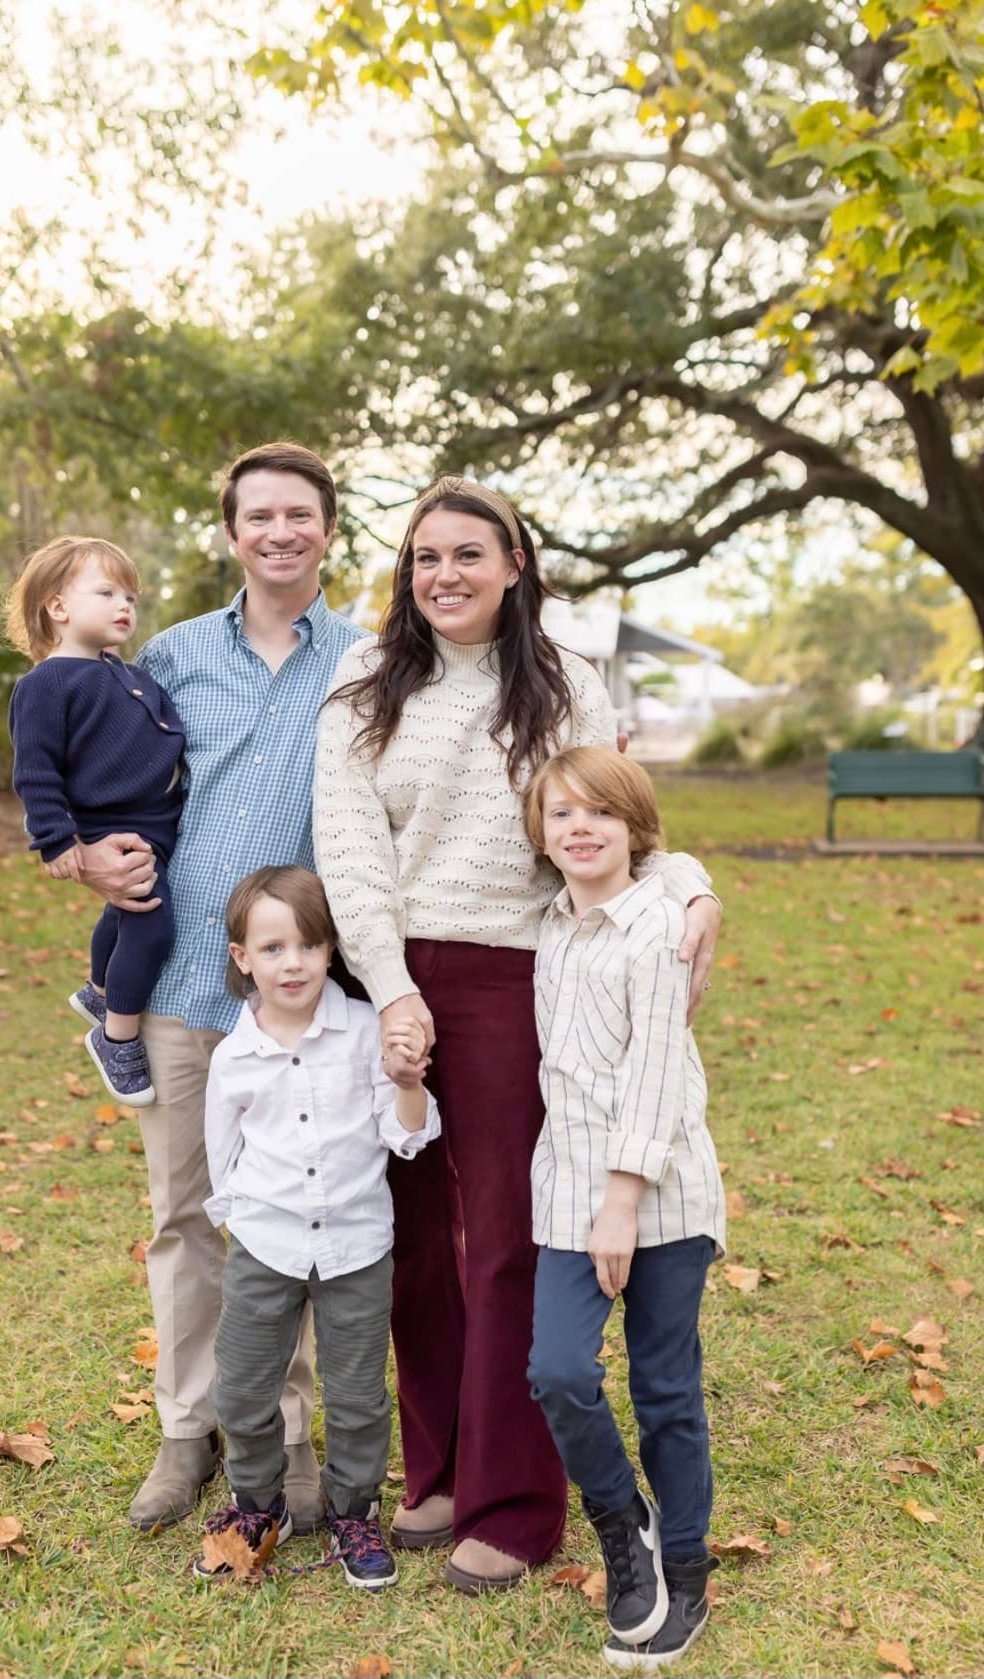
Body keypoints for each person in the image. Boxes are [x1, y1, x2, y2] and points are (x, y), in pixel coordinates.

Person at [313, 476, 721, 1593]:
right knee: (401, 1241)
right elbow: (347, 847)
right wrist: (391, 988)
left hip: (519, 973)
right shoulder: (363, 680)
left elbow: (619, 819)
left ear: (515, 563)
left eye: (468, 553)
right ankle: (438, 1468)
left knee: (502, 1235)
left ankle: (513, 1499)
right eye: (424, 556)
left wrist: (689, 885)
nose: (443, 573)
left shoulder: (563, 681)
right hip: (382, 970)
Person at [72, 444, 367, 1533]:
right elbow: (96, 772)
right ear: (233, 532)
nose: (280, 531)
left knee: (286, 1213)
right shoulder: (174, 653)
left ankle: (283, 1433)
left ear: (328, 529)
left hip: (297, 993)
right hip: (183, 976)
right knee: (182, 1213)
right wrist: (84, 851)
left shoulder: (369, 659)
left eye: (300, 513)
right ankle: (187, 1427)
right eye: (260, 516)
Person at [523, 747, 725, 1670]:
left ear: (633, 826)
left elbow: (653, 1079)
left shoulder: (662, 930)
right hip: (567, 1187)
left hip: (661, 1194)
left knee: (664, 1389)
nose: (579, 827)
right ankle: (622, 1519)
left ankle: (685, 1567)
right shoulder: (551, 927)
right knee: (560, 1369)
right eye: (560, 813)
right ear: (540, 832)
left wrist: (623, 1203)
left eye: (599, 811)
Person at [191, 865, 438, 1590]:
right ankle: (259, 1505)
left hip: (357, 1247)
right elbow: (222, 1157)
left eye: (306, 944)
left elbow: (408, 1138)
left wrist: (408, 1083)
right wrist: (249, 1217)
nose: (291, 962)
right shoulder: (234, 1056)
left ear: (331, 950)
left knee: (357, 1392)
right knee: (240, 1389)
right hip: (266, 1247)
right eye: (272, 948)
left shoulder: (366, 1032)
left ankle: (353, 1509)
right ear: (242, 958)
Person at [5, 535, 185, 1107]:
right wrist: (58, 840)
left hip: (158, 815)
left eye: (130, 595)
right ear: (58, 607)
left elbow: (160, 729)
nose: (124, 605)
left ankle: (102, 988)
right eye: (106, 592)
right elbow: (35, 771)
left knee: (125, 910)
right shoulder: (45, 684)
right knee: (150, 921)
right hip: (112, 823)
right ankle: (117, 1036)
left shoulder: (125, 672)